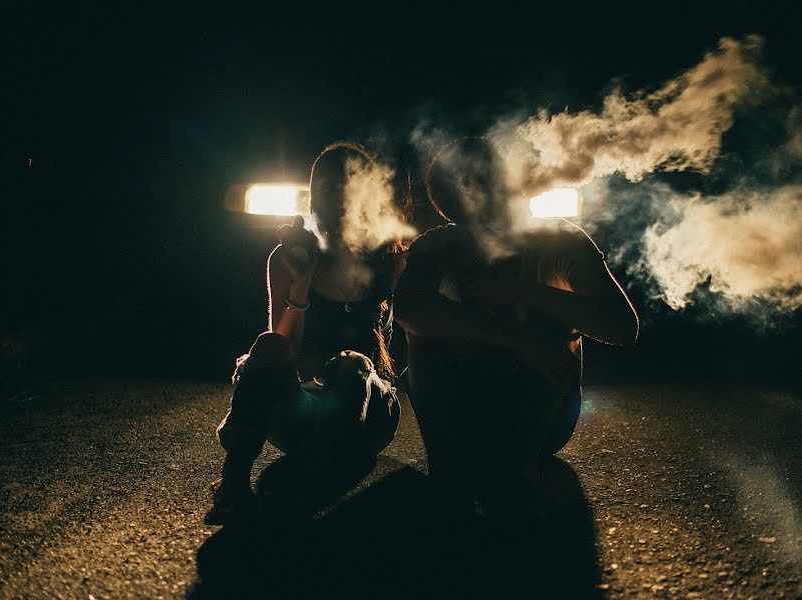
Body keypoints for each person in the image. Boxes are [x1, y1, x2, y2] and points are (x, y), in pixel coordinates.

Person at [393, 138, 638, 515]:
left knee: (555, 328)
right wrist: (511, 338)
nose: (480, 194)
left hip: (544, 418)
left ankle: (518, 469)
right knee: (425, 338)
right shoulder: (437, 247)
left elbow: (622, 327)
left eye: (487, 180)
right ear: (448, 201)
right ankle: (447, 468)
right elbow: (407, 307)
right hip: (464, 410)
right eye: (465, 186)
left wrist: (523, 292)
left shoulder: (558, 241)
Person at [206, 142, 407, 525]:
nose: (341, 195)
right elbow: (282, 351)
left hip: (370, 413)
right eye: (329, 187)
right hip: (306, 411)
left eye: (351, 183)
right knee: (266, 345)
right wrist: (302, 284)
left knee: (351, 364)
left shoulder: (391, 257)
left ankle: (308, 482)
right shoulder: (289, 258)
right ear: (314, 196)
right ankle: (233, 482)